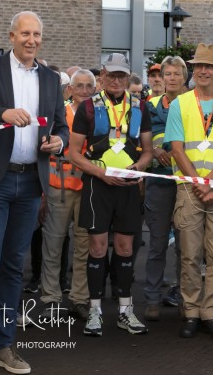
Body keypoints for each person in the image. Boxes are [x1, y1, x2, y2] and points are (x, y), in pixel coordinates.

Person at [0, 11, 68, 375]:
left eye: (37, 34)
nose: (31, 40)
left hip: (31, 182)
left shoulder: (52, 79)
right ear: (11, 35)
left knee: (13, 267)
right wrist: (2, 113)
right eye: (25, 33)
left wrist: (58, 141)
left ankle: (4, 347)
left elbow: (63, 128)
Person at [68, 53, 153, 337]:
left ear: (128, 78)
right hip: (98, 186)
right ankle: (95, 311)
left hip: (128, 188)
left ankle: (126, 311)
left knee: (127, 248)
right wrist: (101, 173)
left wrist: (137, 168)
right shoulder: (88, 108)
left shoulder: (141, 106)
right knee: (97, 248)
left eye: (122, 76)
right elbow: (73, 154)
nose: (117, 81)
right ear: (102, 76)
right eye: (112, 75)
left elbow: (149, 152)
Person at [165, 43, 213, 341]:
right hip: (189, 189)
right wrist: (198, 182)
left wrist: (209, 181)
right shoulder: (180, 104)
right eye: (198, 66)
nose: (203, 70)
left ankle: (211, 314)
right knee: (189, 254)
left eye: (208, 66)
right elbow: (176, 148)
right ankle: (191, 312)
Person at [39, 68, 95, 322]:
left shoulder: (99, 113)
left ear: (94, 89)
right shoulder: (58, 112)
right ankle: (51, 298)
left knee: (84, 246)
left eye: (88, 86)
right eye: (78, 85)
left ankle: (79, 298)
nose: (83, 90)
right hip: (58, 185)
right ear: (69, 89)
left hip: (87, 188)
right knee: (53, 244)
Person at [143, 55, 188, 320]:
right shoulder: (150, 106)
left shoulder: (193, 104)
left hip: (185, 182)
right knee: (157, 243)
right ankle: (152, 299)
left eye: (175, 74)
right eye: (166, 74)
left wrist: (174, 152)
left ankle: (185, 298)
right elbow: (143, 138)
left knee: (186, 246)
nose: (170, 79)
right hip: (158, 181)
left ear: (185, 77)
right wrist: (155, 149)